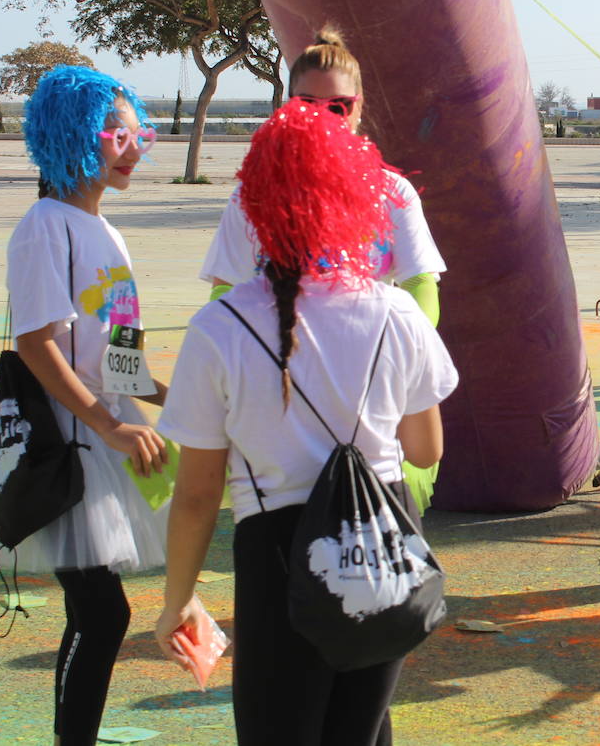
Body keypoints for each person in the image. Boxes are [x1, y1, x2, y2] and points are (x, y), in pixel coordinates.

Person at [155, 99, 458, 745]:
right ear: (356, 197)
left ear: (256, 205)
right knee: (364, 729)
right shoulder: (398, 312)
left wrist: (177, 599)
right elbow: (426, 448)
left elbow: (199, 491)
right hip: (380, 543)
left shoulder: (220, 326)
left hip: (276, 549)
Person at [0, 65, 169, 746]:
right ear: (73, 136)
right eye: (118, 134)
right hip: (67, 446)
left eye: (140, 135)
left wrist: (170, 398)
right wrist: (107, 423)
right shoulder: (45, 225)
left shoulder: (110, 234)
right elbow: (37, 343)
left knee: (101, 614)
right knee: (101, 613)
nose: (133, 148)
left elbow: (119, 357)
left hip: (105, 440)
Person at [201, 27, 445, 328]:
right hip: (277, 363)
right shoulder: (252, 196)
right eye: (307, 105)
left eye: (337, 106)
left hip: (365, 363)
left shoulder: (392, 193)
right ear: (290, 107)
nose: (323, 118)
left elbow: (420, 282)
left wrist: (409, 351)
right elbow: (226, 289)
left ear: (358, 107)